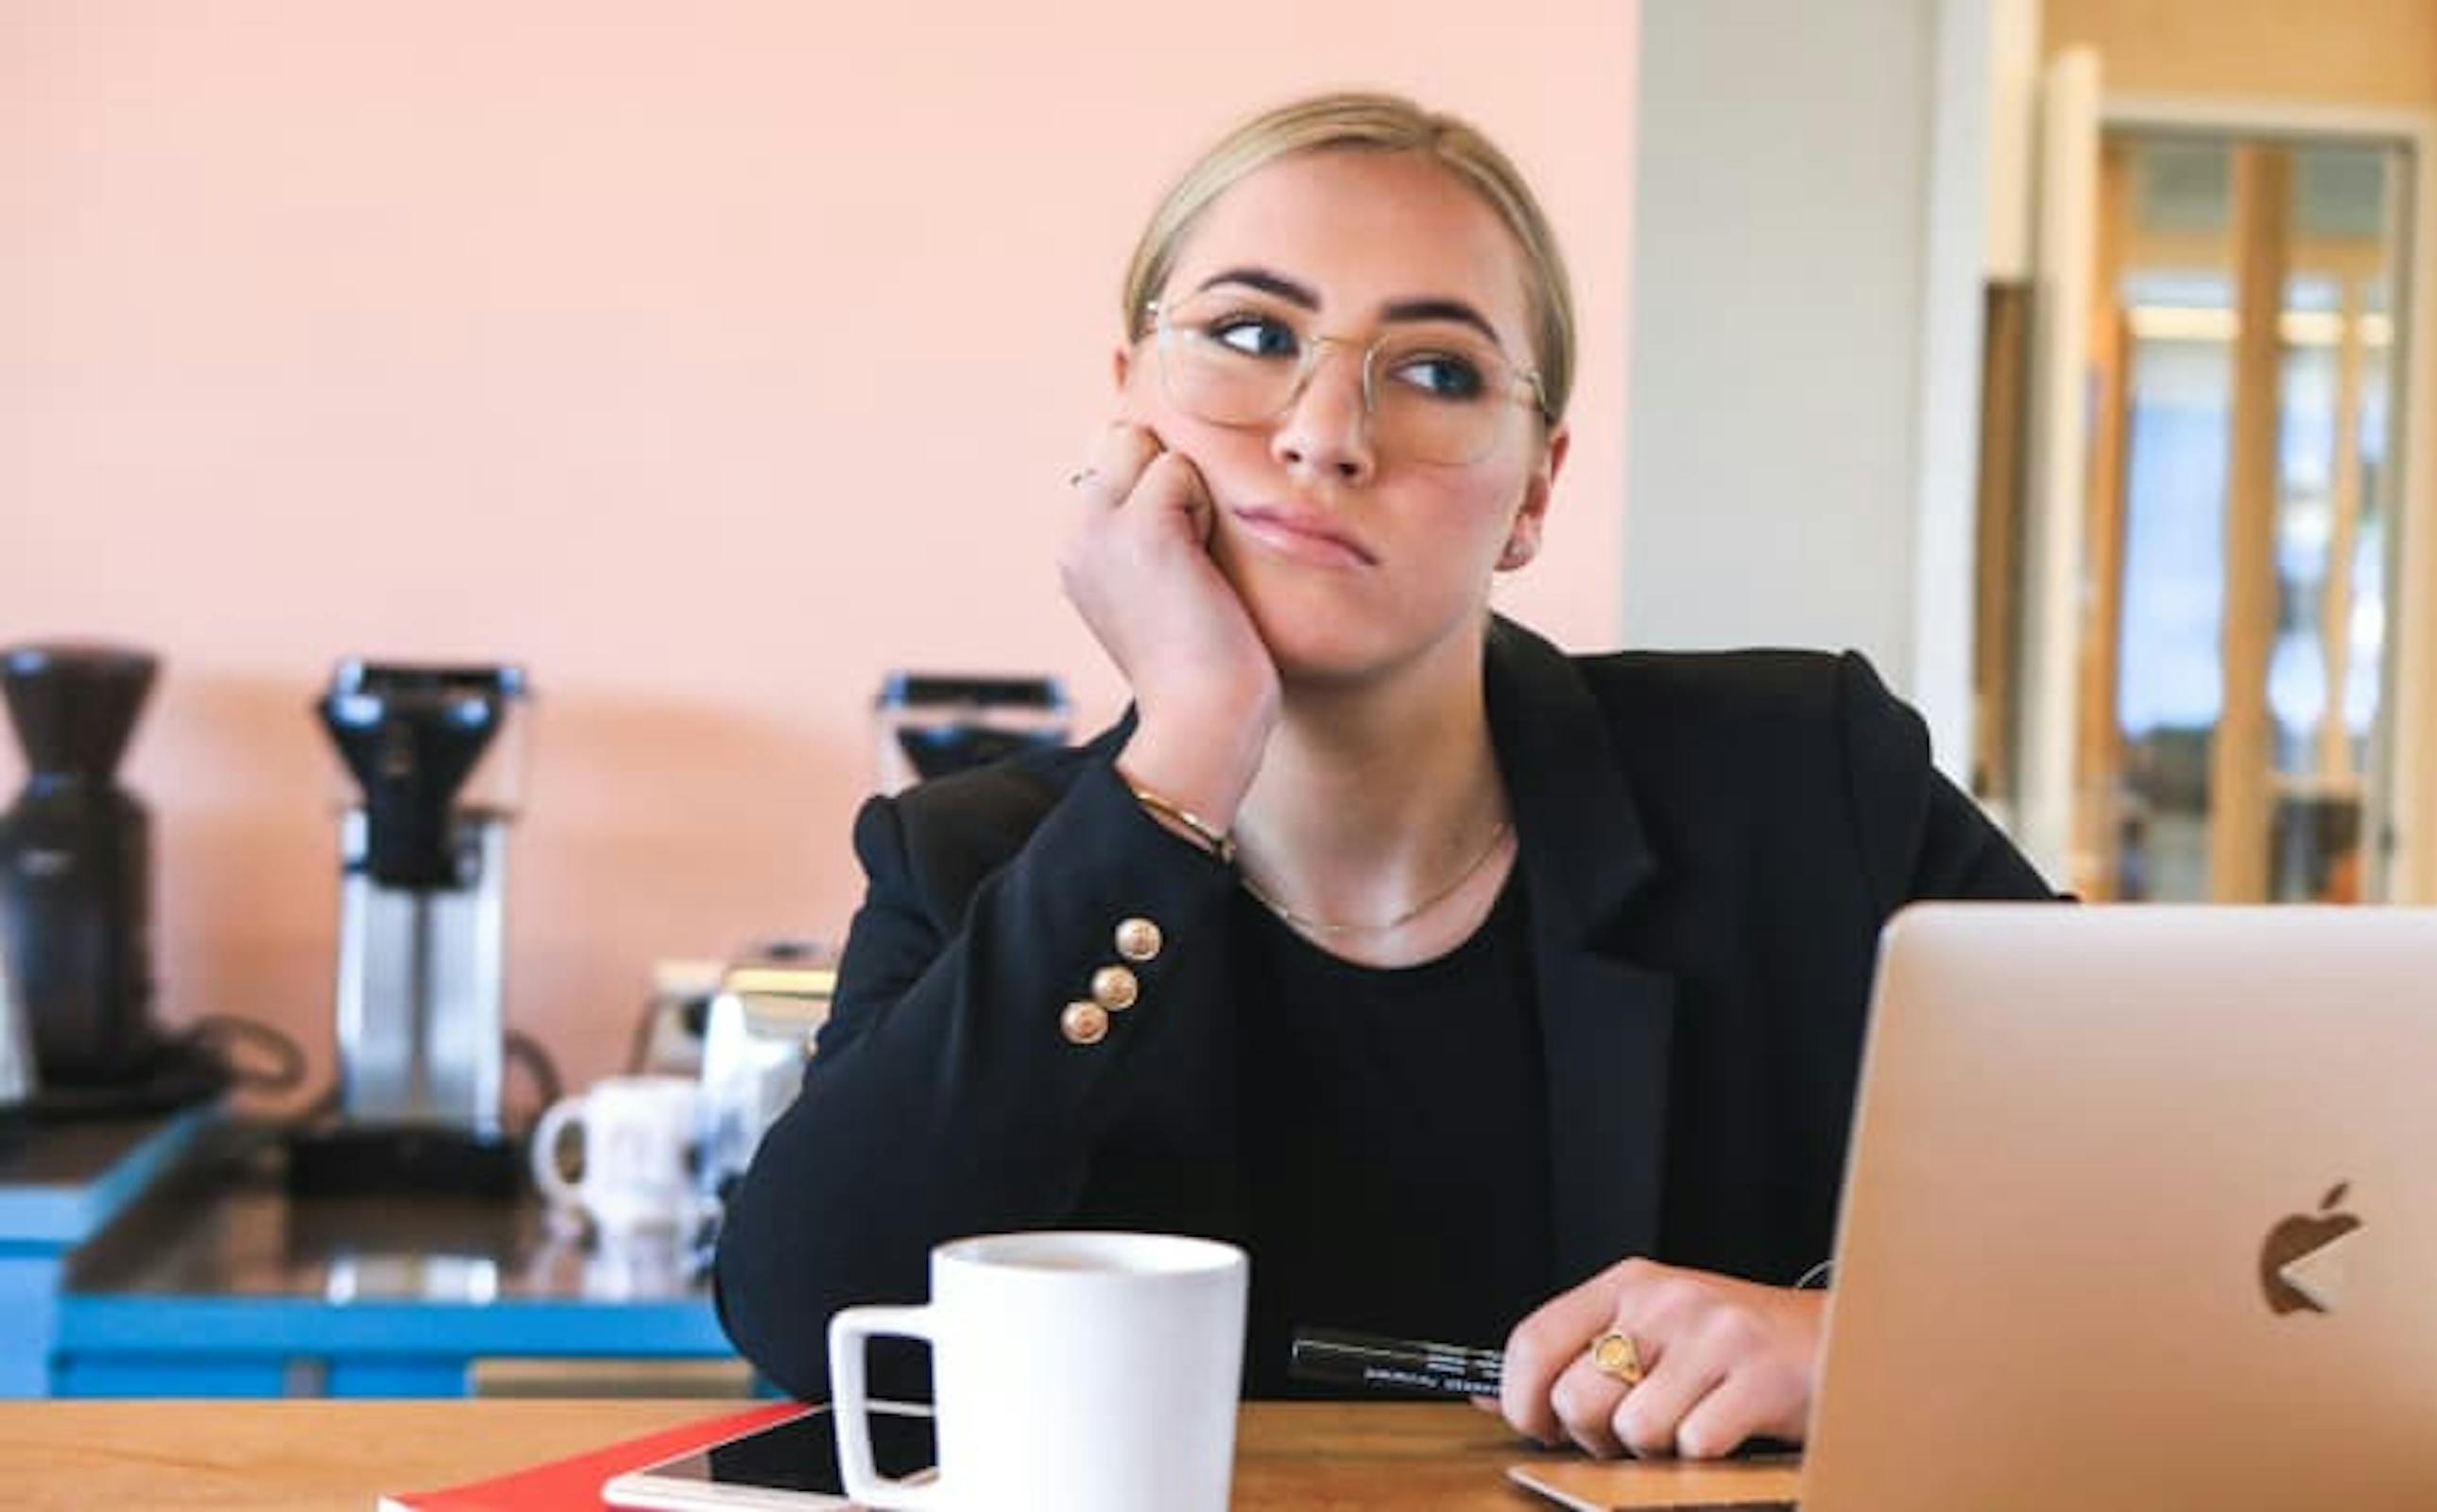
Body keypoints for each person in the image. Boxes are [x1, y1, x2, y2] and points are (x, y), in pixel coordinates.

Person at [713, 91, 2052, 1462]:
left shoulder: (1802, 778)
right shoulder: (973, 861)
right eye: (1251, 337)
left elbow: (2209, 1209)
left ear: (1537, 489)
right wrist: (1188, 744)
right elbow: (814, 1315)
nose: (1324, 432)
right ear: (1126, 409)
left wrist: (1859, 1345)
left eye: (1436, 371)